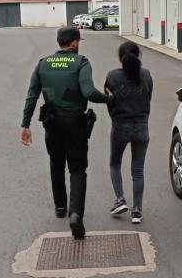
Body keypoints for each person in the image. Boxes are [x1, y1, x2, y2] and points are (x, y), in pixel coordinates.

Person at [20, 27, 112, 239]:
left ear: (59, 42)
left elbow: (32, 95)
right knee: (78, 168)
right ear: (74, 43)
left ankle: (60, 207)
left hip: (51, 123)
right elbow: (89, 92)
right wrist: (109, 99)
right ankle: (75, 214)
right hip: (75, 122)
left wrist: (25, 125)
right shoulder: (81, 63)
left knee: (56, 163)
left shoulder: (43, 63)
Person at [104, 41, 153, 224]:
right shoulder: (146, 75)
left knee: (115, 164)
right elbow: (148, 98)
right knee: (138, 170)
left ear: (120, 57)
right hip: (141, 126)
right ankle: (137, 211)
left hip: (120, 126)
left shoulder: (112, 76)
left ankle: (120, 199)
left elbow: (109, 101)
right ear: (138, 55)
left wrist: (116, 118)